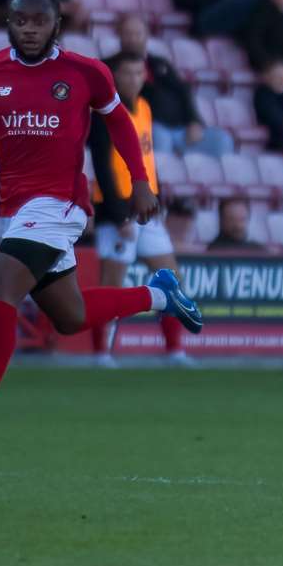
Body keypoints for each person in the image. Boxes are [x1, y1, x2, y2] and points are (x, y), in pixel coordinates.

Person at [0, 0, 205, 460]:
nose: (30, 29)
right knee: (69, 316)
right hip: (18, 209)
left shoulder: (86, 72)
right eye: (20, 20)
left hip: (60, 205)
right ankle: (160, 294)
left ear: (57, 25)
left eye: (39, 21)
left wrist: (140, 182)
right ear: (9, 23)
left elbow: (120, 125)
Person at [88, 52, 191, 367]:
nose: (133, 79)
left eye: (138, 73)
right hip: (118, 210)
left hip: (145, 210)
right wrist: (119, 214)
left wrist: (156, 195)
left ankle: (174, 351)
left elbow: (146, 159)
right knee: (112, 284)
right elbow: (103, 166)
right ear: (115, 76)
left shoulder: (144, 108)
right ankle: (101, 355)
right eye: (127, 73)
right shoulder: (103, 112)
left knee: (171, 277)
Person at [113, 13, 231, 157]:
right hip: (151, 128)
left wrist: (194, 121)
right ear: (119, 35)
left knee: (221, 140)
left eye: (137, 34)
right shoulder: (111, 67)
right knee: (157, 136)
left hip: (181, 130)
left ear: (146, 36)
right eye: (128, 34)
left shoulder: (160, 64)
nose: (132, 39)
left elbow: (183, 90)